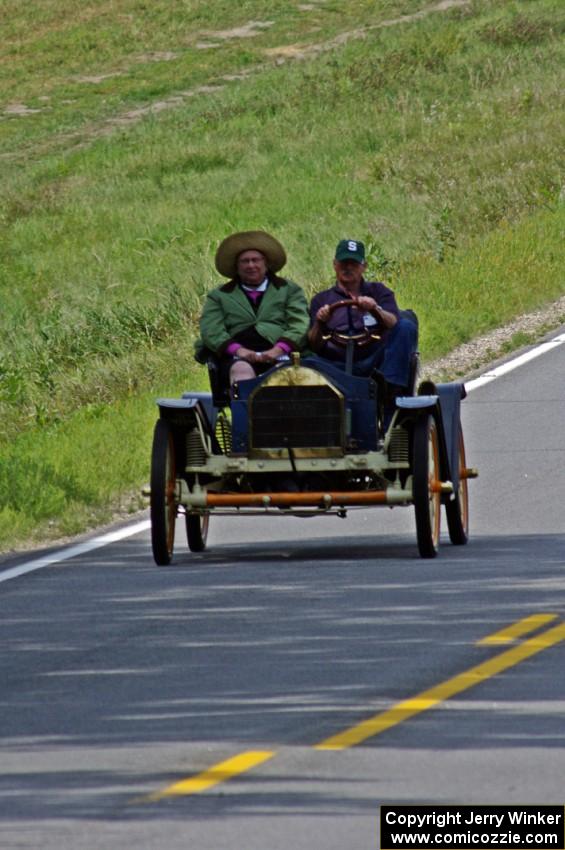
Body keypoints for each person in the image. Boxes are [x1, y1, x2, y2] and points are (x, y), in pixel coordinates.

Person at [195, 230, 310, 385]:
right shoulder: (219, 296)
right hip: (236, 357)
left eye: (256, 260)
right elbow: (211, 330)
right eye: (245, 261)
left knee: (285, 375)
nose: (251, 265)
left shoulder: (289, 290)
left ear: (266, 263)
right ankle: (245, 407)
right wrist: (239, 351)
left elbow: (299, 324)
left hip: (281, 354)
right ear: (236, 266)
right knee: (241, 372)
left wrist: (277, 350)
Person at [308, 238, 418, 395]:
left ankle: (390, 392)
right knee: (305, 364)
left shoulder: (379, 291)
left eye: (353, 263)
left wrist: (375, 309)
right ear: (335, 265)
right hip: (335, 364)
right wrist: (320, 322)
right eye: (343, 263)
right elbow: (313, 344)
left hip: (375, 362)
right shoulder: (321, 299)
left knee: (406, 326)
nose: (348, 268)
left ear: (364, 266)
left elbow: (393, 322)